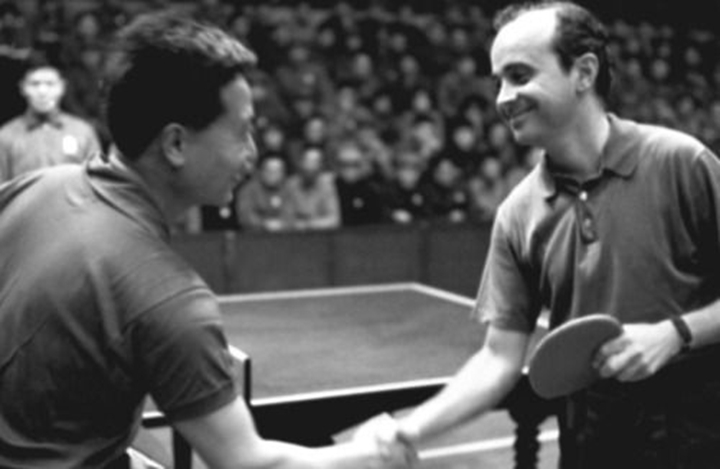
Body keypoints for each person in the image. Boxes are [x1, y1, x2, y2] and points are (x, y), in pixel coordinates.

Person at [0, 11, 414, 469]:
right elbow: (248, 463)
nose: (252, 152)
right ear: (175, 144)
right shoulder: (166, 295)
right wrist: (373, 453)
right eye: (242, 132)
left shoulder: (35, 187)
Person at [360, 2, 720, 468]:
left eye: (520, 75)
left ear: (584, 72)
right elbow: (499, 358)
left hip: (700, 435)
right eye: (498, 82)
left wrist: (675, 334)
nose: (503, 98)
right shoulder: (517, 214)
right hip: (591, 443)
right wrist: (407, 430)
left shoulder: (681, 162)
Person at [0, 59, 101, 183]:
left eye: (50, 84)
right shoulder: (6, 135)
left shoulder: (83, 131)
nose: (42, 91)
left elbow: (96, 182)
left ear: (62, 87)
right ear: (23, 88)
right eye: (35, 84)